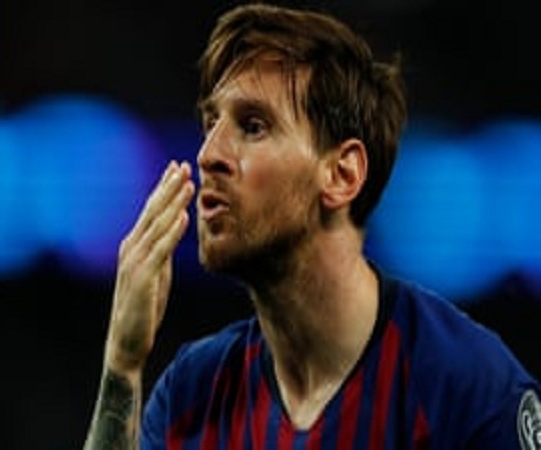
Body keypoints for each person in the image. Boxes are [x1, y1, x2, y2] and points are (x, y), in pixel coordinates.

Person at [83, 3, 541, 449]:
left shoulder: (470, 391)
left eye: (253, 126)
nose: (208, 155)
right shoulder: (192, 393)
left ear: (342, 175)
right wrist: (122, 366)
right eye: (210, 124)